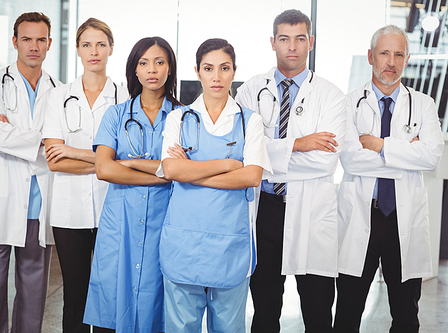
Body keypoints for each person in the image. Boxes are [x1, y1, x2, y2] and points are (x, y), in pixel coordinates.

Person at [235, 9, 346, 333]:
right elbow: (242, 153)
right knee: (265, 310)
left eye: (300, 39)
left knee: (318, 311)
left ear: (310, 41)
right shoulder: (250, 90)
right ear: (273, 42)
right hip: (264, 210)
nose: (292, 47)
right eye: (284, 39)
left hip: (311, 210)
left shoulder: (330, 95)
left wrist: (267, 154)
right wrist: (299, 144)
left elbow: (326, 161)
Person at [334, 25, 444, 333]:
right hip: (361, 215)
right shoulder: (348, 103)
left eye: (398, 54)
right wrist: (406, 154)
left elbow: (431, 156)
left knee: (406, 315)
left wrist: (380, 145)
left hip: (403, 219)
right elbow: (350, 159)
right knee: (347, 313)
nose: (391, 62)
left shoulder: (423, 104)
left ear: (407, 59)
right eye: (384, 53)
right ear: (371, 56)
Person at [159, 38, 272, 333]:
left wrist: (191, 171)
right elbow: (171, 169)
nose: (217, 76)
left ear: (234, 71)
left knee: (228, 328)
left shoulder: (250, 122)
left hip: (229, 247)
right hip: (183, 245)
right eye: (209, 68)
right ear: (197, 71)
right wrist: (226, 163)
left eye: (224, 68)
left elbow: (251, 177)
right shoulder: (179, 118)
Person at [0, 12, 59, 333]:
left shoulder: (58, 91)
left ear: (49, 44)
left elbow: (60, 143)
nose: (33, 46)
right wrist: (44, 140)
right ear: (14, 42)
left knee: (34, 294)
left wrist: (18, 133)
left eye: (40, 39)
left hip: (37, 207)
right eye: (26, 39)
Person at [83, 36, 179, 332]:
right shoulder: (116, 115)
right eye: (144, 62)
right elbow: (103, 169)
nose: (152, 69)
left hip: (164, 223)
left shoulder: (183, 118)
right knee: (113, 302)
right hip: (120, 224)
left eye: (160, 62)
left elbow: (184, 171)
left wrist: (130, 163)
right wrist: (160, 175)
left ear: (170, 70)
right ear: (134, 70)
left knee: (157, 306)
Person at [42, 18, 129, 333]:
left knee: (109, 295)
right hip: (69, 212)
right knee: (75, 295)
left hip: (114, 208)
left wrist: (76, 152)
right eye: (87, 44)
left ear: (111, 49)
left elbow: (132, 159)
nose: (94, 51)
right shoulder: (59, 96)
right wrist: (108, 161)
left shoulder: (125, 98)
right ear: (77, 49)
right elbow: (54, 160)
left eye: (101, 44)